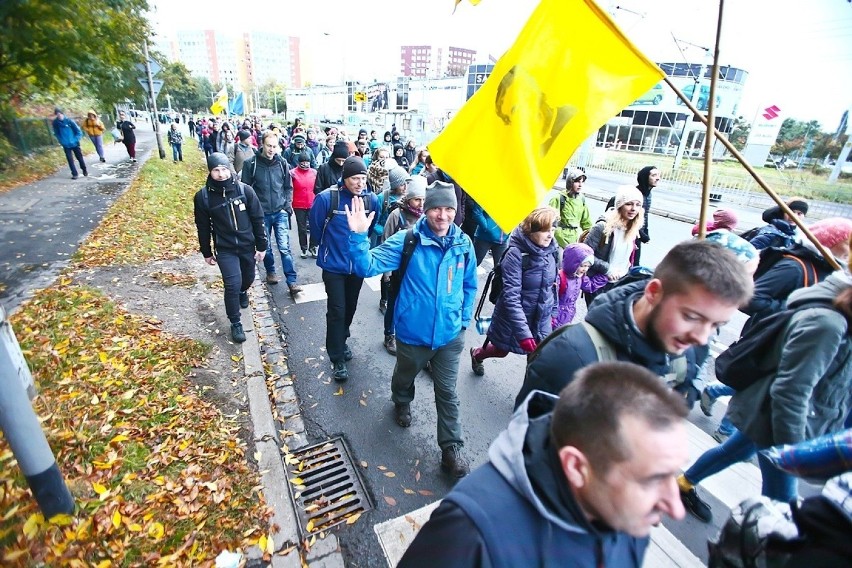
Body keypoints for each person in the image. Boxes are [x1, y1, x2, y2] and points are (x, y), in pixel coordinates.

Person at [398, 362, 690, 567]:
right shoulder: (470, 534)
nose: (675, 507)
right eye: (652, 479)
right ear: (576, 467)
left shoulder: (629, 521)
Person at [679, 238, 852, 523]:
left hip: (781, 415)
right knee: (781, 507)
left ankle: (683, 484)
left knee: (731, 451)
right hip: (780, 422)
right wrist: (793, 452)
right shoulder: (827, 322)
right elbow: (792, 390)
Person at [516, 239, 754, 410]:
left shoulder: (688, 348)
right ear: (653, 293)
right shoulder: (571, 357)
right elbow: (529, 452)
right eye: (691, 316)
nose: (702, 338)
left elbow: (681, 401)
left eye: (716, 325)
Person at [345, 181, 477, 478]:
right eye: (435, 208)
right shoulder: (408, 241)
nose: (442, 215)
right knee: (405, 375)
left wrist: (463, 320)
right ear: (425, 209)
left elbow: (469, 284)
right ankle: (402, 400)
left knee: (447, 392)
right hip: (413, 334)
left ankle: (451, 448)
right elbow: (367, 266)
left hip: (449, 336)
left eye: (448, 209)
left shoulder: (463, 243)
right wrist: (357, 236)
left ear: (455, 211)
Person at [308, 156, 379, 382]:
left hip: (356, 266)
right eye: (355, 178)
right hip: (334, 266)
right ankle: (336, 356)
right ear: (344, 178)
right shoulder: (327, 199)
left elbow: (370, 228)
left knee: (350, 307)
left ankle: (342, 338)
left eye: (363, 178)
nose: (360, 183)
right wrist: (328, 250)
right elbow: (317, 229)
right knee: (337, 310)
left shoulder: (371, 199)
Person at [470, 207, 560, 376]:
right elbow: (511, 297)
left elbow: (553, 286)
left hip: (541, 317)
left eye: (553, 230)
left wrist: (553, 313)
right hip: (513, 319)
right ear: (531, 230)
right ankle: (477, 354)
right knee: (500, 350)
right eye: (545, 230)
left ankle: (527, 398)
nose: (550, 235)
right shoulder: (516, 254)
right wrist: (524, 334)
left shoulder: (552, 252)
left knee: (535, 360)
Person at [193, 153, 267, 344]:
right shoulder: (203, 197)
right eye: (216, 170)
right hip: (225, 249)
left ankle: (243, 291)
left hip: (246, 246)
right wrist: (206, 252)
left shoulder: (245, 191)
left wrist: (262, 246)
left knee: (247, 279)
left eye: (224, 169)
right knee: (232, 285)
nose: (221, 174)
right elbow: (203, 226)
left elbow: (258, 220)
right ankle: (236, 322)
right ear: (210, 171)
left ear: (230, 169)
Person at [740, 217, 852, 333]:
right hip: (767, 338)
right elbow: (752, 298)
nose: (850, 251)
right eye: (848, 244)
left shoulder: (833, 272)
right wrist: (798, 311)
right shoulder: (794, 267)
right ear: (830, 241)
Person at [241, 131, 303, 295]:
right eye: (269, 145)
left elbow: (288, 187)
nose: (271, 149)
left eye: (275, 146)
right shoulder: (251, 164)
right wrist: (250, 211)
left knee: (284, 248)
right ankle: (270, 271)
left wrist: (287, 205)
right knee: (266, 247)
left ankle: (292, 281)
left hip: (280, 211)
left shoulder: (282, 163)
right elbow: (245, 189)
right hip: (261, 214)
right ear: (262, 144)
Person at [379, 177, 427, 355]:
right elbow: (385, 242)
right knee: (393, 304)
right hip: (398, 270)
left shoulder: (425, 217)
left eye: (423, 199)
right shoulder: (396, 215)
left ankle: (412, 337)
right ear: (408, 199)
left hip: (417, 272)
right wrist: (387, 273)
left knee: (415, 305)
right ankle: (389, 335)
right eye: (417, 199)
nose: (420, 203)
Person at [583, 186, 645, 302]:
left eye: (638, 205)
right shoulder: (602, 227)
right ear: (619, 205)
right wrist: (608, 269)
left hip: (619, 281)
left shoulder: (633, 227)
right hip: (599, 282)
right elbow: (584, 255)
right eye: (629, 204)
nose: (633, 209)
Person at [552, 243, 610, 329]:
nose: (585, 269)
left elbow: (590, 286)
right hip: (556, 318)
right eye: (582, 266)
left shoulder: (580, 277)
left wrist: (605, 277)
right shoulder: (560, 278)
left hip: (569, 315)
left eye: (588, 266)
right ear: (573, 263)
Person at [550, 168, 592, 247]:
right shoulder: (559, 198)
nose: (580, 185)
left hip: (575, 239)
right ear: (570, 182)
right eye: (577, 181)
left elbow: (586, 223)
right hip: (559, 240)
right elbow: (549, 221)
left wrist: (590, 237)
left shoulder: (581, 199)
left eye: (582, 181)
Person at [291, 151, 317, 259]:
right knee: (301, 228)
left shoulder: (314, 172)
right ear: (299, 162)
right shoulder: (292, 173)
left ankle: (313, 246)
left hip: (313, 203)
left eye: (307, 162)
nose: (305, 164)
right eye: (303, 162)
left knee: (314, 226)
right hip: (298, 204)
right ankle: (304, 248)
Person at [469, 198, 508, 267]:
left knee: (501, 268)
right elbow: (477, 212)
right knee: (472, 264)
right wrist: (486, 227)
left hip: (503, 238)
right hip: (484, 237)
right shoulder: (490, 192)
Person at [52, 107, 87, 179]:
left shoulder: (69, 121)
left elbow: (78, 132)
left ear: (62, 114)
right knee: (70, 159)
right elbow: (56, 133)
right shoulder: (56, 123)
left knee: (79, 158)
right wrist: (61, 140)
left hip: (75, 143)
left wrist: (75, 140)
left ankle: (84, 169)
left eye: (60, 114)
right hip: (66, 144)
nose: (59, 116)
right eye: (57, 115)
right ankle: (74, 173)